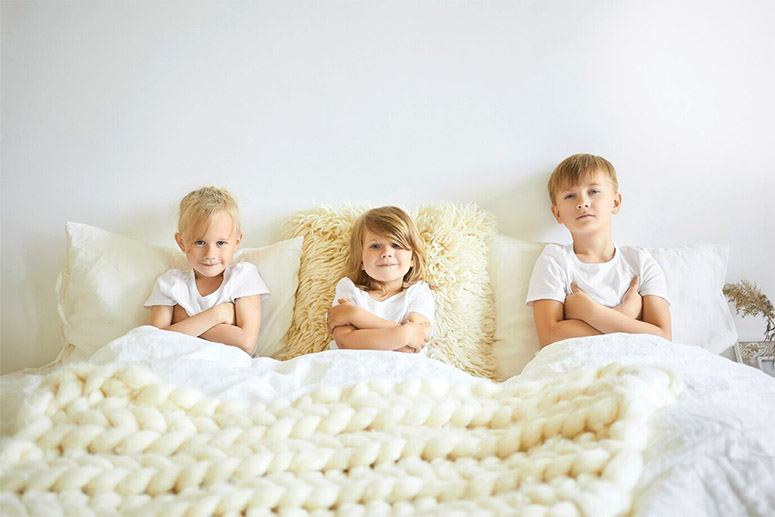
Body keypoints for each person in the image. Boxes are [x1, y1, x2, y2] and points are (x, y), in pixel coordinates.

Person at [526, 153, 671, 347]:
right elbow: (550, 336)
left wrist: (590, 312)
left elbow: (662, 337)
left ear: (615, 202)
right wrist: (625, 314)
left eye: (594, 191)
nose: (583, 202)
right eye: (570, 196)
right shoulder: (555, 260)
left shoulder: (640, 262)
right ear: (557, 212)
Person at [145, 186, 269, 355]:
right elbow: (152, 342)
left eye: (221, 243)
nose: (210, 254)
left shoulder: (243, 277)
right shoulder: (170, 283)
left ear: (237, 241)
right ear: (182, 242)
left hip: (229, 369)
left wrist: (182, 320)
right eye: (200, 242)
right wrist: (217, 314)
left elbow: (246, 343)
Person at [326, 206, 434, 353]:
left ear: (413, 259)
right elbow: (345, 342)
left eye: (396, 245)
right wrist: (405, 333)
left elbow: (411, 347)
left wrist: (356, 315)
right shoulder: (349, 289)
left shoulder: (418, 292)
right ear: (361, 260)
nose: (386, 253)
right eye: (375, 246)